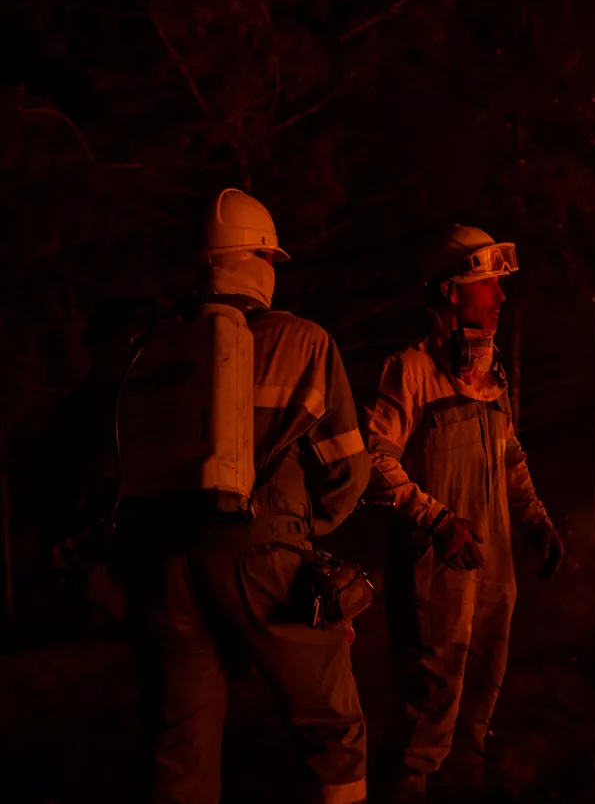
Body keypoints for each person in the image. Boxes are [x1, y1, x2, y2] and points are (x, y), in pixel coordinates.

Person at [120, 188, 371, 804]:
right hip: (263, 557)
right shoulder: (303, 341)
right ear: (256, 261)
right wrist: (305, 533)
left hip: (165, 565)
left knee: (180, 749)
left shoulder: (151, 353)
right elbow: (348, 472)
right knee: (332, 729)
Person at [363, 224, 564, 802]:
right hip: (436, 574)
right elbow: (375, 460)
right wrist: (436, 519)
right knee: (426, 719)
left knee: (476, 718)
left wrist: (534, 519)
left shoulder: (490, 374)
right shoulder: (410, 371)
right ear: (451, 291)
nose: (501, 297)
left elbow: (509, 457)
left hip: (494, 567)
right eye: (488, 285)